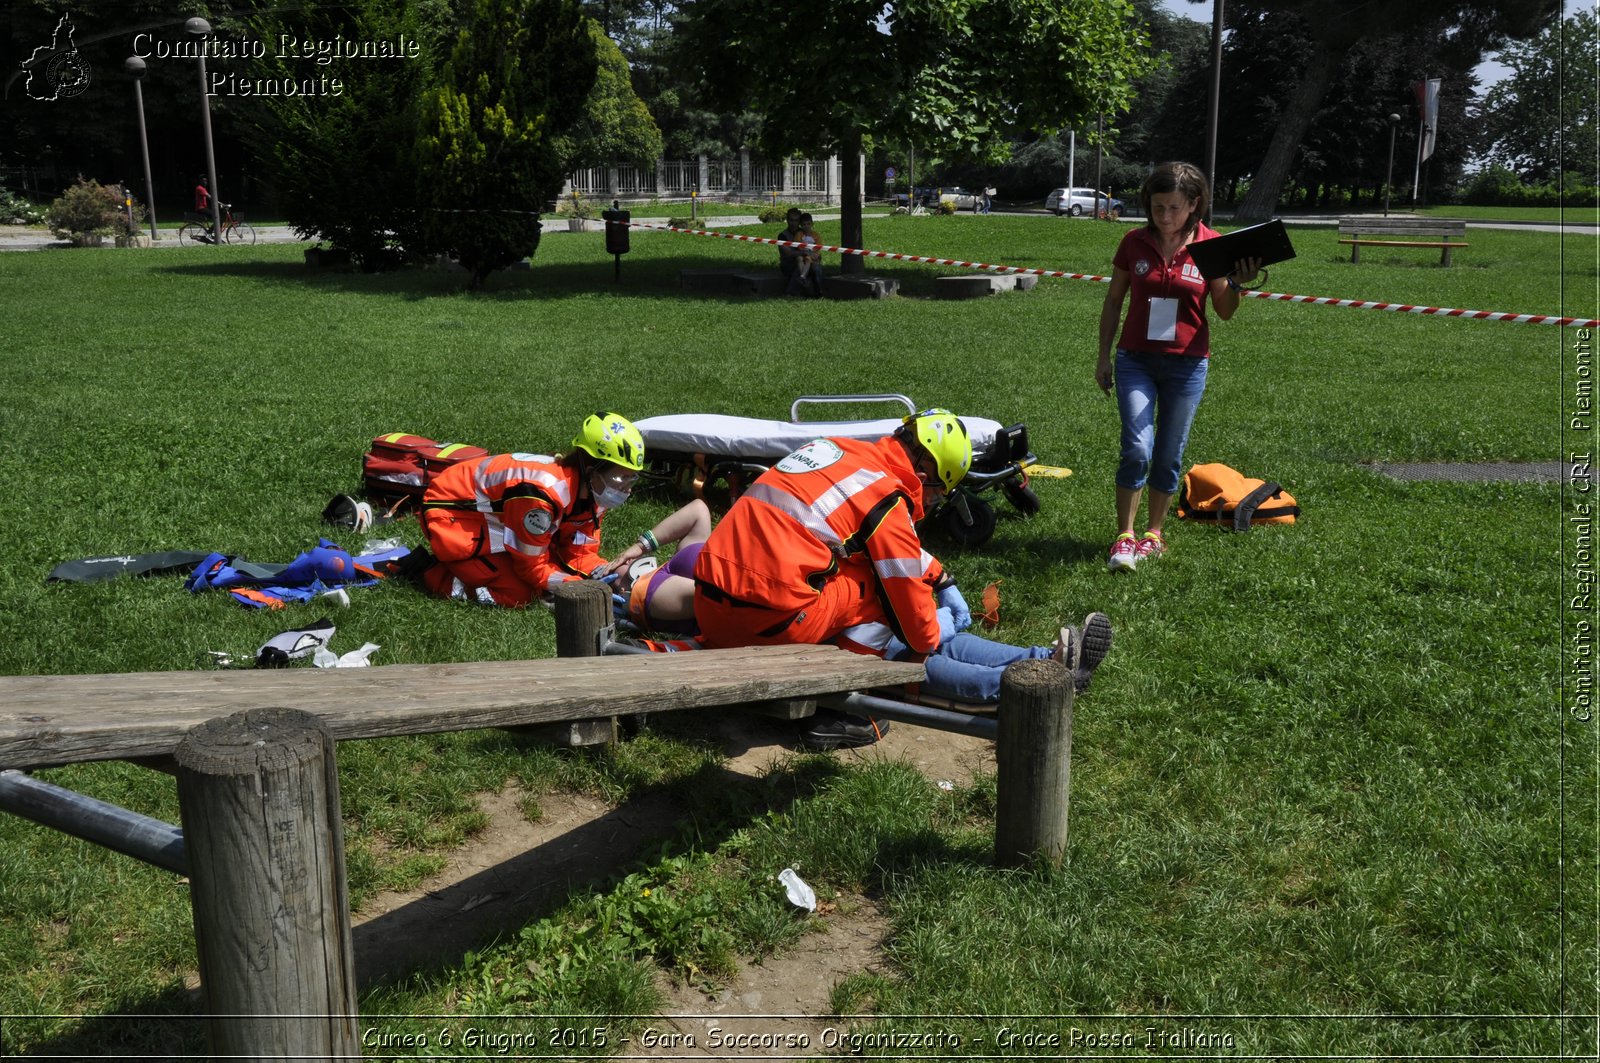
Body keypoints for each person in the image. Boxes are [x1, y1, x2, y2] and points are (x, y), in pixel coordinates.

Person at [692, 409, 975, 748]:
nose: (930, 501)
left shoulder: (838, 451)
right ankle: (842, 709)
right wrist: (937, 627)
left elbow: (876, 539)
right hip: (766, 625)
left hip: (709, 604)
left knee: (857, 565)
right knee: (879, 592)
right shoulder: (886, 495)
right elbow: (913, 620)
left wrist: (941, 577)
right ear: (925, 471)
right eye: (936, 492)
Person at [1095, 161, 1261, 573]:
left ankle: (1154, 534)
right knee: (1136, 447)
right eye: (1157, 207)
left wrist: (1238, 282)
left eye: (1174, 208)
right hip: (1135, 359)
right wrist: (1102, 356)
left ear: (1194, 205)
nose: (1165, 217)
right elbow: (1114, 301)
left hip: (1187, 365)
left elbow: (1223, 311)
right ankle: (1124, 537)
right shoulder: (1133, 243)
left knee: (1168, 454)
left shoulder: (1211, 247)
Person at [413, 412, 648, 607]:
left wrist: (605, 573)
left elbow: (579, 552)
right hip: (451, 513)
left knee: (547, 565)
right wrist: (574, 586)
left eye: (631, 479)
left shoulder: (593, 493)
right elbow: (531, 566)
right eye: (620, 478)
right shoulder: (541, 495)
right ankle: (430, 572)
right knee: (519, 594)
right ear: (590, 468)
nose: (625, 489)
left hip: (494, 513)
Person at [793, 213, 823, 297]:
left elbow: (818, 247)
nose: (806, 226)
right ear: (801, 225)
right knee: (799, 258)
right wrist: (805, 251)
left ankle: (803, 277)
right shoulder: (799, 234)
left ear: (812, 224)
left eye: (808, 224)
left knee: (809, 260)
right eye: (804, 224)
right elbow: (798, 246)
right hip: (803, 253)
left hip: (812, 255)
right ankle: (803, 276)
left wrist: (814, 254)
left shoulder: (816, 235)